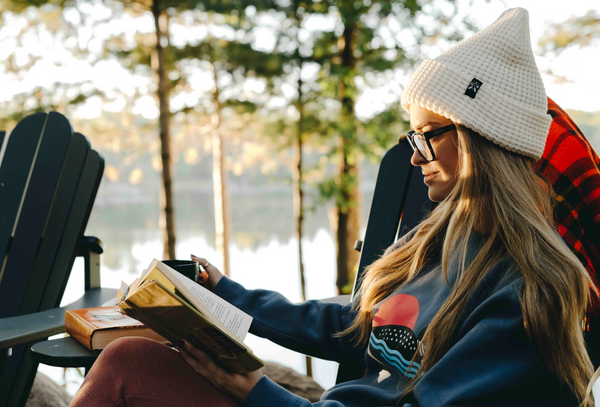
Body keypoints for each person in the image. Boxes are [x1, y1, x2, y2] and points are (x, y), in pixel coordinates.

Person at [69, 7, 596, 407]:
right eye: (411, 139)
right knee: (126, 358)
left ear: (484, 140)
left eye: (428, 136)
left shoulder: (527, 295)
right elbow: (353, 325)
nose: (415, 158)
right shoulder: (437, 239)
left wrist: (256, 389)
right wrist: (223, 296)